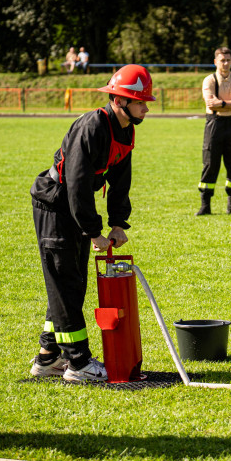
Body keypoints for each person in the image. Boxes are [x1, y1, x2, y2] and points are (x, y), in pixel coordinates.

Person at [29, 65, 153, 383]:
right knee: (66, 283)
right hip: (55, 203)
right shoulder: (93, 125)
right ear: (120, 100)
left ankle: (48, 357)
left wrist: (118, 223)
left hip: (73, 205)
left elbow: (120, 180)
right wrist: (93, 230)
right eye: (140, 101)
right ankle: (79, 362)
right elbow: (77, 183)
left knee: (70, 284)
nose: (146, 107)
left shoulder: (126, 129)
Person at [197, 46, 231, 216]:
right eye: (222, 60)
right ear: (215, 62)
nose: (225, 63)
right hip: (214, 124)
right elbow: (211, 103)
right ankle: (205, 206)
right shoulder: (209, 80)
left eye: (228, 60)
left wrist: (224, 104)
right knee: (210, 163)